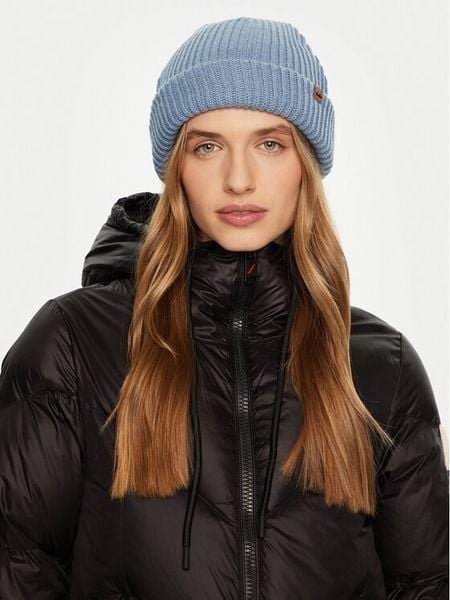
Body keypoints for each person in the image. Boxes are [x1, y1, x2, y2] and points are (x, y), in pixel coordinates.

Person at [0, 16, 448, 600]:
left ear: (306, 163)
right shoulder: (74, 346)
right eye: (208, 146)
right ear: (177, 167)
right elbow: (17, 569)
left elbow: (426, 583)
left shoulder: (381, 368)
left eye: (270, 144)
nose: (239, 179)